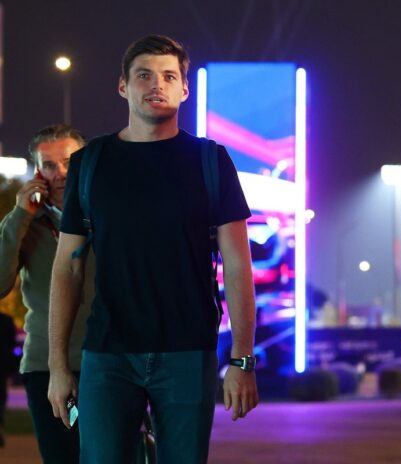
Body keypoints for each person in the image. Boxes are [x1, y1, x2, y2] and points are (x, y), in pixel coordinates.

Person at [47, 35, 259, 463]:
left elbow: (238, 265)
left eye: (169, 76)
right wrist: (58, 366)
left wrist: (242, 361)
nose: (157, 84)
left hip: (187, 350)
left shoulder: (210, 161)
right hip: (108, 352)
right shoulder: (90, 163)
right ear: (123, 86)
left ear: (184, 89)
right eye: (144, 75)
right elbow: (67, 267)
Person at [0, 124, 90, 461]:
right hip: (46, 367)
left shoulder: (108, 214)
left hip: (108, 361)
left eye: (69, 162)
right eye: (49, 165)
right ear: (37, 172)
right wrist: (20, 215)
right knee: (62, 456)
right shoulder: (25, 224)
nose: (60, 173)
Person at [0, 312, 17, 448]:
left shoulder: (6, 320)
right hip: (3, 366)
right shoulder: (6, 320)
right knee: (1, 398)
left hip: (3, 366)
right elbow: (12, 345)